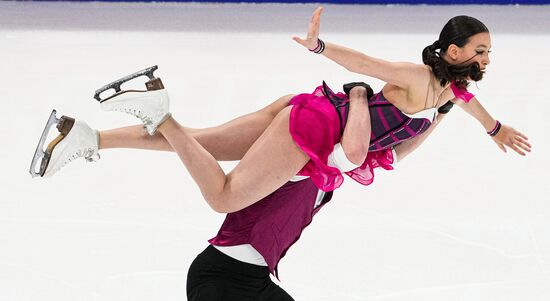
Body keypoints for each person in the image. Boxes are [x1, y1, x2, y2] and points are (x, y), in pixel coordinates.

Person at [29, 7, 531, 300]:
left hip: (316, 113)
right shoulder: (418, 76)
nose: (487, 59)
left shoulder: (450, 91)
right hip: (319, 128)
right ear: (452, 49)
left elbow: (470, 105)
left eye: (489, 52)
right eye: (480, 50)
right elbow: (366, 62)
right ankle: (158, 112)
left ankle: (83, 135)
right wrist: (320, 47)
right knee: (225, 195)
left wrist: (495, 130)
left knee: (198, 143)